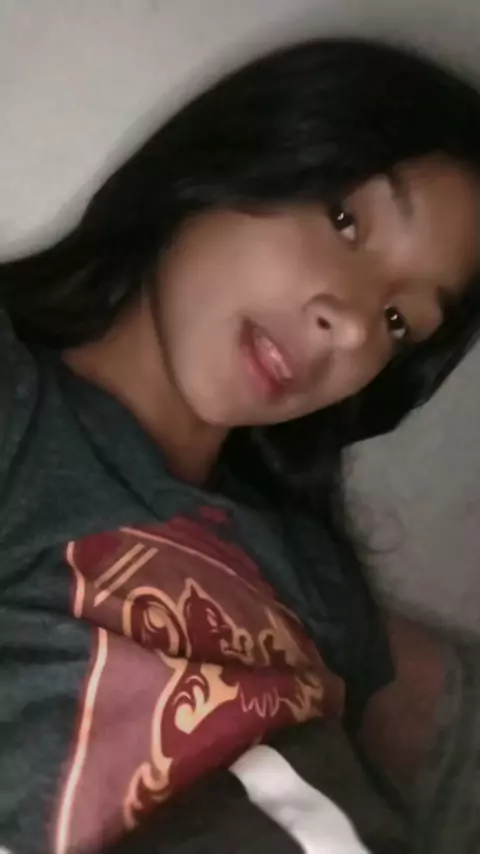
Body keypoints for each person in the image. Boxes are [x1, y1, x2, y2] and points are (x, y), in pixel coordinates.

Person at [1, 36, 480, 854]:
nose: (353, 328)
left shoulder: (318, 580)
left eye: (400, 322)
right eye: (345, 220)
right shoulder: (21, 410)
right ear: (236, 155)